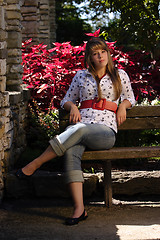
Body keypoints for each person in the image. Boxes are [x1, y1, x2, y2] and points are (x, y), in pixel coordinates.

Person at [16, 37, 136, 225]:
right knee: (71, 150)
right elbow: (65, 100)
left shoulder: (120, 75)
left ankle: (36, 163)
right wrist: (72, 106)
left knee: (78, 129)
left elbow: (130, 98)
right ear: (89, 57)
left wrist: (123, 106)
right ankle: (79, 209)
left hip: (105, 133)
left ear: (108, 54)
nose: (100, 56)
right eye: (95, 53)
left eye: (103, 51)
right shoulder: (81, 76)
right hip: (81, 129)